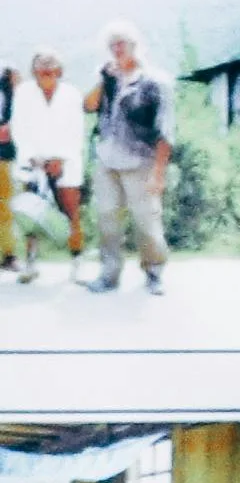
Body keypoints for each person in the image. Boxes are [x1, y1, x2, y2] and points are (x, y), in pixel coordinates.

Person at [79, 26, 162, 296]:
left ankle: (154, 271)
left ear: (135, 45)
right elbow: (88, 105)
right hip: (107, 158)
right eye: (113, 45)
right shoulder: (109, 79)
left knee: (145, 219)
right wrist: (104, 79)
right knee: (106, 218)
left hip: (139, 160)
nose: (117, 49)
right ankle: (108, 274)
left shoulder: (151, 80)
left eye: (122, 43)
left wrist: (158, 172)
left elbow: (165, 131)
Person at [2, 53, 69, 277]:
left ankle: (10, 256)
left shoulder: (8, 73)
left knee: (10, 208)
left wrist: (12, 128)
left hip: (7, 155)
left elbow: (23, 110)